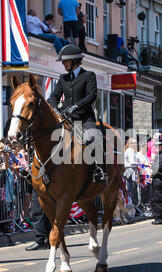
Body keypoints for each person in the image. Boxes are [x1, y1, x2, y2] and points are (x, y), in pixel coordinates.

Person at [48, 44, 106, 183]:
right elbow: (54, 96)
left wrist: (75, 107)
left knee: (94, 137)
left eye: (65, 61)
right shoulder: (63, 78)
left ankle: (100, 169)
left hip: (84, 118)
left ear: (74, 61)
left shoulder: (88, 75)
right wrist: (55, 108)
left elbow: (91, 95)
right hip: (66, 119)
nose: (63, 64)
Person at [150, 137, 162, 225]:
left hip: (159, 178)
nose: (156, 147)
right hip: (156, 178)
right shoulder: (159, 156)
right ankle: (157, 217)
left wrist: (153, 171)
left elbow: (159, 167)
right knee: (154, 199)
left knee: (158, 199)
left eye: (158, 146)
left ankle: (160, 218)